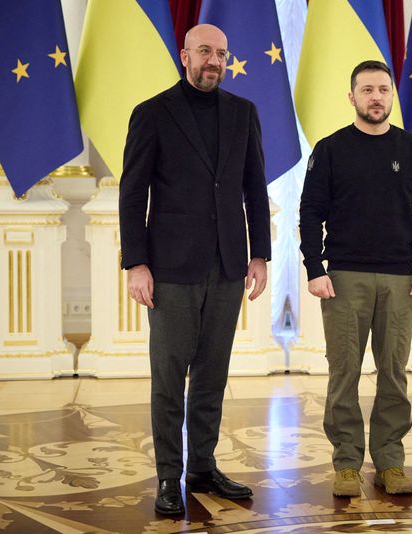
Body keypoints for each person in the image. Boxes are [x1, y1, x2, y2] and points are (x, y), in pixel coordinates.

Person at [119, 24, 270, 515]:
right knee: (169, 377)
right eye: (205, 51)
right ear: (185, 55)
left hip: (228, 265)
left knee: (212, 375)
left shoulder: (243, 113)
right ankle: (168, 476)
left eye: (222, 54)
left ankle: (202, 467)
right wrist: (136, 262)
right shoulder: (152, 113)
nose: (214, 61)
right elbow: (132, 193)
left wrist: (259, 254)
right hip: (170, 270)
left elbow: (253, 188)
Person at [299, 60, 412, 497]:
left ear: (391, 96)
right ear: (352, 97)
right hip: (344, 278)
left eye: (383, 89)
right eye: (367, 90)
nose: (376, 96)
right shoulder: (330, 149)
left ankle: (390, 462)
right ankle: (346, 463)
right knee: (343, 372)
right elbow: (310, 213)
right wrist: (315, 269)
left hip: (400, 278)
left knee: (394, 373)